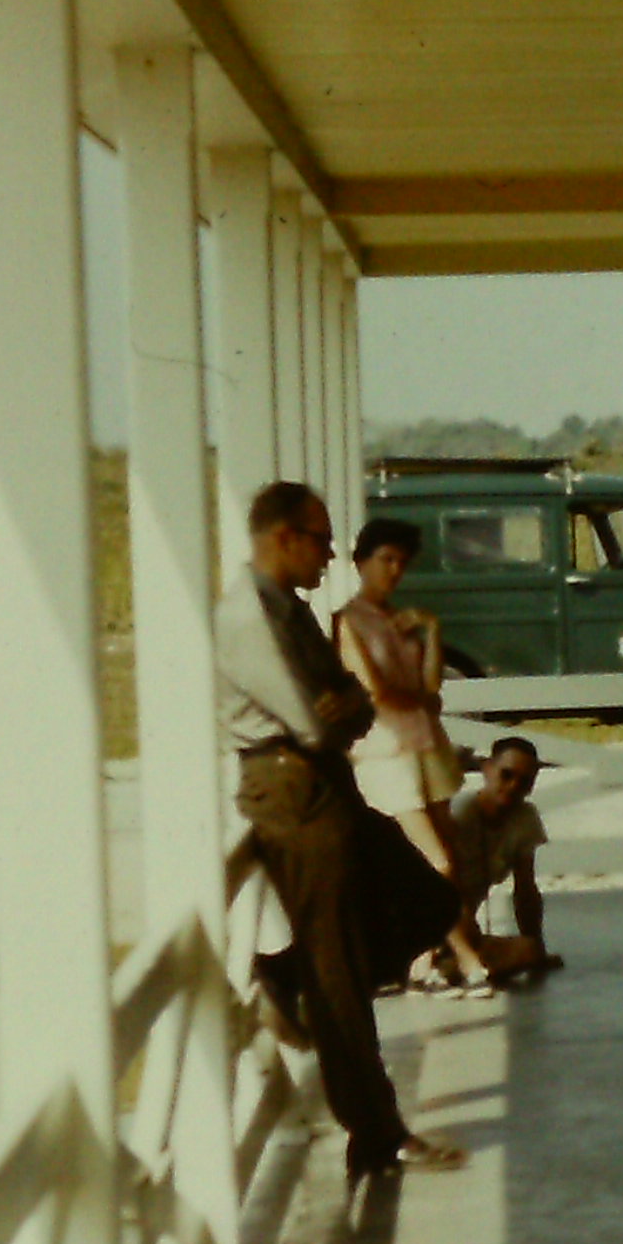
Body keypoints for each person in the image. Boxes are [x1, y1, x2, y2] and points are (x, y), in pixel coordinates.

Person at [214, 480, 466, 1181]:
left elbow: (353, 708)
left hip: (327, 779)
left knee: (432, 901)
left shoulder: (288, 609)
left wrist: (349, 702)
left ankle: (288, 972)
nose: (332, 554)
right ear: (283, 537)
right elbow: (317, 716)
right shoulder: (249, 618)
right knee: (340, 970)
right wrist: (348, 704)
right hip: (291, 786)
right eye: (321, 539)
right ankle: (376, 1131)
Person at [332, 517, 490, 992]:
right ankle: (469, 959)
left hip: (424, 744)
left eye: (402, 562)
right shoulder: (348, 621)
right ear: (361, 562)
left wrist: (432, 629)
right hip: (385, 753)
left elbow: (431, 689)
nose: (395, 571)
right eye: (386, 560)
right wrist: (415, 696)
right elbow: (376, 693)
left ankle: (424, 959)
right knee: (434, 862)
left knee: (453, 859)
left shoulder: (400, 620)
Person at [439, 738, 559, 987]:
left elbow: (525, 889)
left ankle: (451, 968)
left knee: (527, 950)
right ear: (487, 769)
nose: (513, 786)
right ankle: (446, 964)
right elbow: (441, 888)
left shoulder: (525, 817)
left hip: (466, 932)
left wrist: (536, 947)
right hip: (437, 922)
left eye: (524, 782)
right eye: (506, 775)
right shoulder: (460, 813)